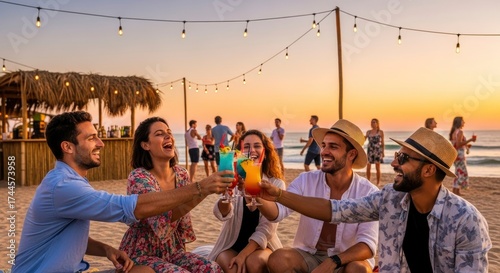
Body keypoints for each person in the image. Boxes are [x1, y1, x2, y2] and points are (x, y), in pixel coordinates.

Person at [12, 111, 233, 273]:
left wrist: (106, 249)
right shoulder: (64, 186)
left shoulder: (71, 182)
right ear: (68, 147)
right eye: (91, 138)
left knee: (211, 268)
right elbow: (132, 208)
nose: (101, 143)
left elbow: (65, 237)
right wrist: (200, 188)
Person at [260, 127, 491, 272]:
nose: (393, 163)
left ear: (429, 170)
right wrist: (279, 195)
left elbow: (367, 247)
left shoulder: (466, 221)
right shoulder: (390, 199)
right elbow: (336, 210)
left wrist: (337, 261)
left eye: (403, 158)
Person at [259, 119, 379, 273]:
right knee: (278, 259)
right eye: (324, 145)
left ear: (351, 154)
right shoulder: (306, 179)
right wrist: (259, 197)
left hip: (346, 260)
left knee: (359, 269)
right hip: (309, 255)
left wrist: (333, 261)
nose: (324, 152)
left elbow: (367, 246)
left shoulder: (368, 192)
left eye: (333, 147)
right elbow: (277, 213)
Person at [119, 117, 228, 272]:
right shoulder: (138, 178)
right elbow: (164, 219)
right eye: (159, 134)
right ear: (145, 145)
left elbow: (182, 218)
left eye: (169, 132)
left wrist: (205, 190)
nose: (168, 136)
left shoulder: (181, 174)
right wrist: (202, 189)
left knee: (211, 268)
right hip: (141, 252)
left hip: (173, 249)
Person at [208, 129, 286, 273]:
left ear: (265, 151)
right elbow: (222, 214)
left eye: (257, 146)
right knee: (234, 268)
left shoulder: (276, 184)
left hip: (263, 245)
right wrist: (227, 195)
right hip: (231, 243)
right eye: (247, 146)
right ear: (240, 152)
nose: (252, 150)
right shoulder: (234, 178)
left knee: (254, 263)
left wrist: (243, 255)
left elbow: (267, 229)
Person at [449, 116, 476, 195]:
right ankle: (456, 191)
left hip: (455, 154)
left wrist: (466, 145)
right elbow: (458, 144)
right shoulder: (460, 132)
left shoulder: (454, 131)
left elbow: (455, 144)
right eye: (463, 121)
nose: (464, 122)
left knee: (458, 172)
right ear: (459, 122)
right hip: (459, 155)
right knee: (462, 173)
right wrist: (470, 140)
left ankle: (456, 191)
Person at [365, 118, 385, 185]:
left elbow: (382, 143)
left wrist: (383, 152)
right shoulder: (368, 132)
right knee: (368, 166)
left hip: (377, 150)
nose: (372, 124)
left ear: (377, 124)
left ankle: (378, 182)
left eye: (374, 122)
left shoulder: (380, 132)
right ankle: (368, 181)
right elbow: (363, 139)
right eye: (371, 122)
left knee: (377, 167)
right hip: (370, 150)